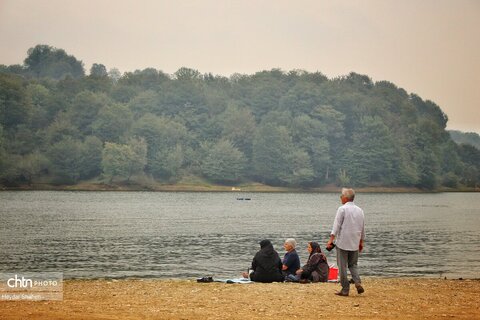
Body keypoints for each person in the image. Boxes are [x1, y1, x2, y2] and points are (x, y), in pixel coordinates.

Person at [326, 188, 365, 296]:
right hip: (355, 241)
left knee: (342, 266)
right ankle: (357, 282)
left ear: (345, 198)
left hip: (343, 241)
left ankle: (345, 289)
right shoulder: (360, 210)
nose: (340, 198)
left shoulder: (342, 209)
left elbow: (336, 225)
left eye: (341, 196)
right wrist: (361, 242)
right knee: (353, 265)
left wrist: (330, 240)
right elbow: (362, 227)